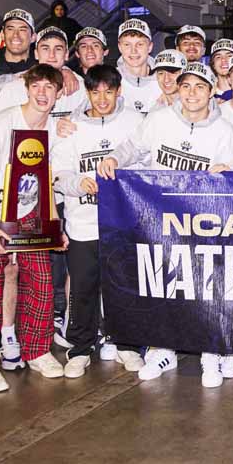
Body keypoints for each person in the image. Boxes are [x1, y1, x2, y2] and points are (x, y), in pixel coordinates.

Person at [98, 62, 233, 387]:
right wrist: (114, 160)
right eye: (187, 86)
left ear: (211, 93)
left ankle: (209, 353)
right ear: (178, 90)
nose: (192, 93)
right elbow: (131, 148)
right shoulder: (159, 120)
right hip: (159, 221)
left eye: (200, 87)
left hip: (204, 226)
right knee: (163, 285)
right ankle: (162, 348)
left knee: (207, 288)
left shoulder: (224, 131)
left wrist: (227, 173)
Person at [0, 64, 67, 392]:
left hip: (25, 214)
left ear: (58, 93)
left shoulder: (52, 130)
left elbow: (45, 181)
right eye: (36, 86)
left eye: (49, 88)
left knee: (41, 281)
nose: (42, 93)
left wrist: (54, 226)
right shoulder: (2, 123)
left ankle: (37, 350)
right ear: (27, 89)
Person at [52, 65, 145, 378]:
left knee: (124, 286)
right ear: (87, 93)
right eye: (95, 91)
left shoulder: (135, 121)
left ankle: (128, 345)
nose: (102, 98)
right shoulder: (72, 126)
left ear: (119, 91)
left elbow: (145, 157)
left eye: (109, 91)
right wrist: (78, 184)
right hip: (83, 223)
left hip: (124, 222)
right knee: (82, 288)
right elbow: (59, 174)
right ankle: (80, 348)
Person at [0, 26, 86, 119]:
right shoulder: (14, 88)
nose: (51, 55)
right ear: (36, 54)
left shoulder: (80, 87)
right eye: (45, 48)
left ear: (66, 55)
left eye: (58, 49)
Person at [116, 18, 161, 114]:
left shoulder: (165, 80)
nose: (133, 51)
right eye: (127, 44)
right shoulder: (110, 80)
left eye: (140, 44)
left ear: (150, 47)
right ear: (120, 47)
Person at [0, 10, 36, 78]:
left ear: (33, 37)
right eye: (10, 29)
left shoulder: (42, 65)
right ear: (2, 35)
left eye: (22, 30)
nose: (15, 35)